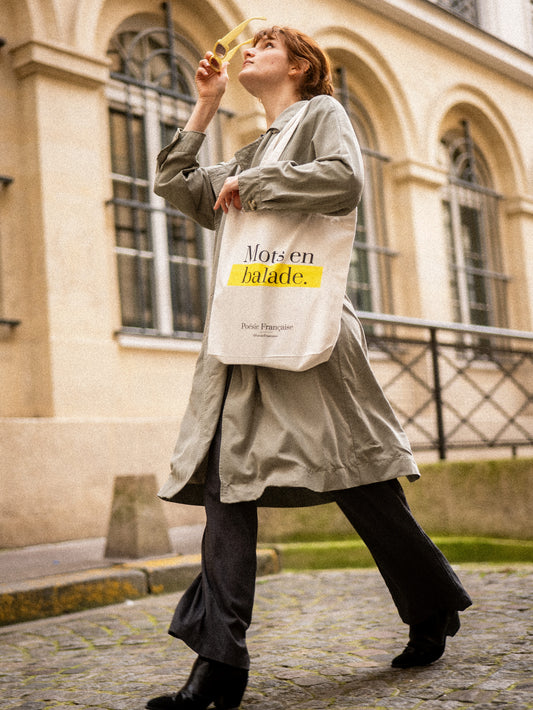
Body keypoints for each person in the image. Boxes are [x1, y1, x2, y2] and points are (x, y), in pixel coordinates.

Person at [147, 25, 472, 710]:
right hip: (244, 337)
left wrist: (250, 183)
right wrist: (203, 104)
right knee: (225, 484)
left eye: (263, 46)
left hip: (310, 334)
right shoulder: (254, 147)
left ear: (299, 66)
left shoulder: (322, 115)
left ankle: (430, 605)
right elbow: (175, 185)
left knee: (361, 481)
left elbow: (343, 181)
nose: (247, 54)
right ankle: (218, 665)